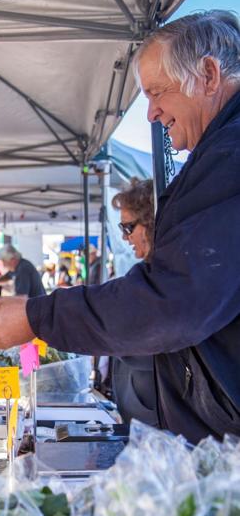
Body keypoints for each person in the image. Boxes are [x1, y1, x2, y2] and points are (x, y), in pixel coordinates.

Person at [0, 10, 240, 443]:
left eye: (157, 93)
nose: (150, 113)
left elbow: (173, 301)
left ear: (209, 75)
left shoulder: (230, 156)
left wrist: (39, 316)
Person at [109, 179, 158, 427]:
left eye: (128, 227)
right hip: (138, 414)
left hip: (156, 425)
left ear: (150, 224)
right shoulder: (147, 273)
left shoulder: (168, 280)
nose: (124, 237)